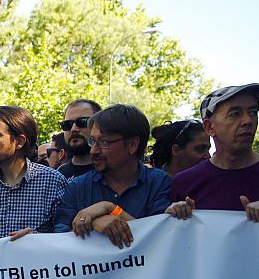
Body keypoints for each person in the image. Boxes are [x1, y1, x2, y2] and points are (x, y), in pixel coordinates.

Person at [168, 83, 259, 223]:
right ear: (209, 127)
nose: (248, 121)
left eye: (252, 112)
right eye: (235, 114)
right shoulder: (184, 183)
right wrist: (177, 219)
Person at [54, 104, 171, 248]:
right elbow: (59, 242)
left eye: (104, 142)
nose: (94, 151)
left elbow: (159, 241)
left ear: (132, 145)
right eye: (92, 141)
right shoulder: (77, 187)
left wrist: (111, 210)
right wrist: (92, 225)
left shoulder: (159, 183)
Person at [0, 106, 67, 254]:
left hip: (36, 274)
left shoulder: (52, 182)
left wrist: (38, 240)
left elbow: (68, 240)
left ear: (19, 141)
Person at [57, 99, 102, 180]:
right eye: (67, 124)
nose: (74, 129)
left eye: (82, 121)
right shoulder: (58, 175)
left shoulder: (113, 172)